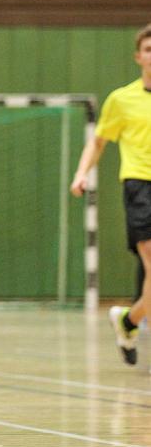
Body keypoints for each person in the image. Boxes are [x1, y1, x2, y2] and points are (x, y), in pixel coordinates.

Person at [71, 23, 151, 367]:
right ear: (138, 57)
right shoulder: (122, 99)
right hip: (140, 187)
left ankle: (129, 321)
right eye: (149, 49)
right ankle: (131, 321)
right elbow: (99, 141)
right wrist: (81, 172)